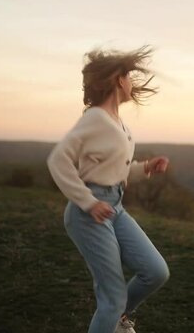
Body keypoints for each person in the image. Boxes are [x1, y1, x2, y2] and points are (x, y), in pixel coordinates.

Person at [47, 45, 170, 333]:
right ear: (118, 80)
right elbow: (57, 160)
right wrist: (88, 202)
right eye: (128, 77)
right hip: (90, 213)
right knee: (112, 299)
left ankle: (120, 320)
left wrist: (146, 168)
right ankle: (115, 317)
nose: (132, 84)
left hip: (115, 207)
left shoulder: (118, 124)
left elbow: (115, 170)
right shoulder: (95, 118)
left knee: (155, 272)